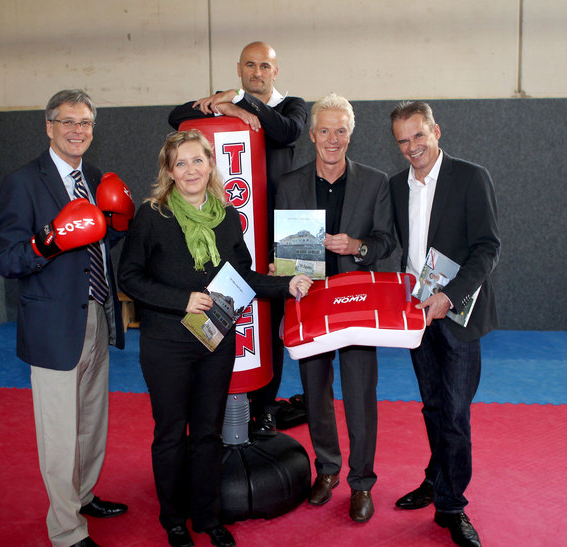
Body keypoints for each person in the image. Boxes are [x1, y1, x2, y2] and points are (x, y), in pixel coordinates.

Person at [117, 130, 312, 547]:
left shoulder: (225, 215)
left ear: (211, 165)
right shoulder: (153, 214)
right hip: (166, 343)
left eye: (198, 161)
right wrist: (180, 300)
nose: (191, 170)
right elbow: (129, 277)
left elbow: (242, 274)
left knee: (207, 432)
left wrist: (287, 284)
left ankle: (206, 517)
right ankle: (173, 518)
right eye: (181, 163)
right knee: (171, 432)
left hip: (214, 343)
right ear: (169, 171)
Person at [0, 89, 131, 547]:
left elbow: (94, 243)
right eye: (68, 122)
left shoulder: (93, 177)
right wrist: (45, 242)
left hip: (96, 311)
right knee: (59, 429)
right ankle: (67, 531)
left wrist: (116, 229)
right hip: (53, 322)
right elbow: (9, 259)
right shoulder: (23, 181)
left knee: (92, 418)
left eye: (86, 123)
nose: (78, 131)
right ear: (49, 126)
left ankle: (84, 494)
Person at [168, 41, 309, 436]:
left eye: (265, 66)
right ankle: (221, 399)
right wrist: (222, 108)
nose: (258, 72)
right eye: (250, 65)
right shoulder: (222, 103)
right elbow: (176, 116)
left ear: (275, 71)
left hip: (277, 235)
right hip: (233, 227)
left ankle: (264, 407)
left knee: (271, 319)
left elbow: (286, 131)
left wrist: (243, 103)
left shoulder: (291, 105)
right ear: (239, 68)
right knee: (225, 311)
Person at [275, 93, 396, 523]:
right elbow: (281, 247)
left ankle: (362, 482)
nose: (332, 138)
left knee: (362, 395)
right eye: (324, 130)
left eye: (340, 130)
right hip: (310, 303)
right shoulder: (289, 185)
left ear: (351, 133)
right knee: (316, 393)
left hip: (357, 304)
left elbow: (387, 240)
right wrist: (282, 267)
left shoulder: (376, 181)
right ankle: (327, 470)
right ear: (311, 135)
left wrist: (359, 246)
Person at [389, 101, 500, 547]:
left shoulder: (471, 177)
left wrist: (449, 294)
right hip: (417, 315)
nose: (412, 146)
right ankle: (436, 477)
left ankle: (452, 507)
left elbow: (487, 248)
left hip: (457, 314)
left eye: (418, 135)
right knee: (432, 406)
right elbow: (395, 246)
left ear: (436, 130)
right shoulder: (397, 186)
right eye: (402, 140)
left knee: (455, 413)